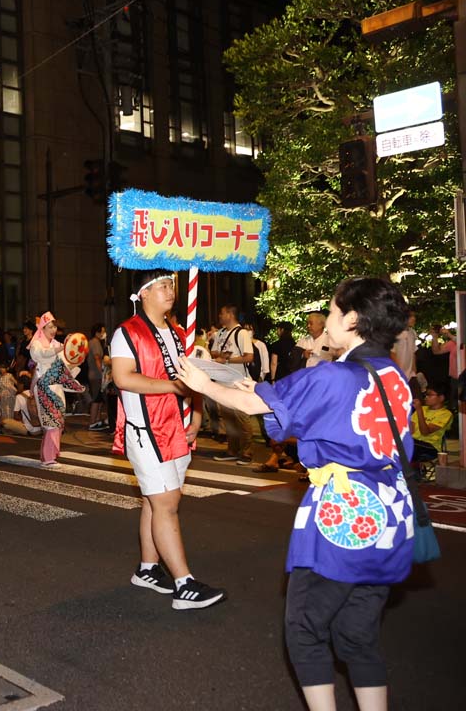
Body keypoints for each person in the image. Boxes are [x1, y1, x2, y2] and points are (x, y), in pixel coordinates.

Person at [177, 277, 415, 710]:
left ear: (354, 319)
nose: (326, 320)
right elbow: (292, 405)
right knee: (358, 635)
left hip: (344, 515)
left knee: (305, 628)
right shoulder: (392, 375)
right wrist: (263, 395)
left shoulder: (334, 374)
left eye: (333, 311)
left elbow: (256, 407)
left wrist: (201, 382)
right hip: (390, 515)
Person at [112, 271, 224, 611]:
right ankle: (183, 582)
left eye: (171, 284)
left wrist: (198, 414)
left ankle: (148, 569)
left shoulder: (179, 333)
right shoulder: (126, 333)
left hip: (177, 428)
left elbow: (193, 378)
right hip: (147, 430)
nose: (170, 291)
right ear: (143, 294)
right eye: (162, 285)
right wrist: (173, 387)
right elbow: (123, 377)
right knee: (166, 505)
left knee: (152, 501)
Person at [29, 312, 83, 467]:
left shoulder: (57, 344)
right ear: (42, 328)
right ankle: (48, 458)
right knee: (51, 421)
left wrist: (75, 354)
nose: (53, 329)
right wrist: (63, 348)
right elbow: (40, 355)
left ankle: (50, 455)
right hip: (44, 386)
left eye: (54, 326)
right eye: (49, 327)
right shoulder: (37, 344)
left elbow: (66, 362)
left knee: (58, 420)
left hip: (56, 386)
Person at [209, 304, 257, 464]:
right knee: (228, 418)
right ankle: (232, 449)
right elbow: (213, 352)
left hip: (237, 382)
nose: (220, 316)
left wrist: (228, 359)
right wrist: (220, 355)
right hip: (222, 381)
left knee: (241, 417)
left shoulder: (241, 333)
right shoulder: (221, 333)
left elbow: (249, 357)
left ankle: (247, 451)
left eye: (222, 313)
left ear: (230, 314)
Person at [87, 323, 108, 431]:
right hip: (96, 375)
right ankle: (92, 422)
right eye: (102, 331)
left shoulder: (97, 342)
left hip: (96, 375)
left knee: (99, 399)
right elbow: (97, 358)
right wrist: (103, 371)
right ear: (97, 332)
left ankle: (97, 420)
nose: (103, 333)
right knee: (96, 399)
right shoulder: (94, 342)